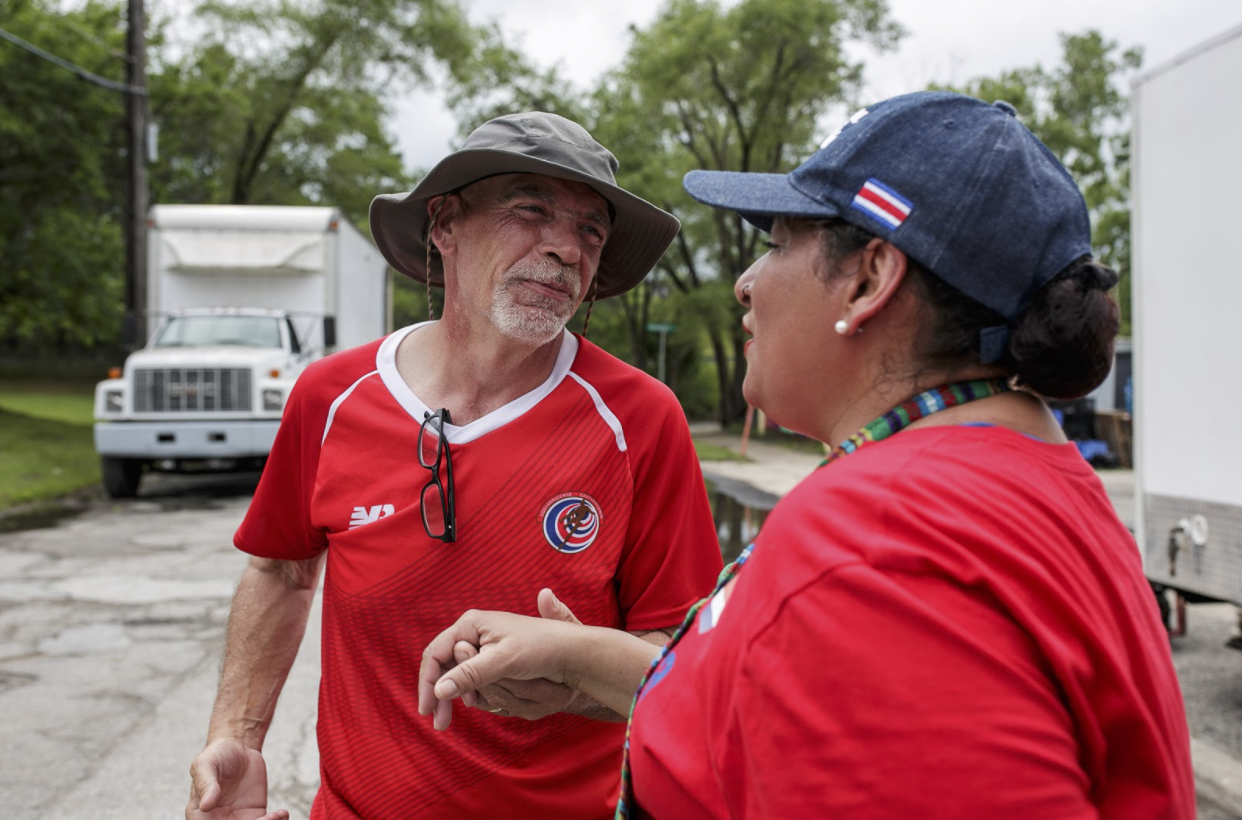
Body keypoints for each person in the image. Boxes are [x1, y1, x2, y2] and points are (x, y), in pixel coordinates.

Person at [418, 92, 1195, 819]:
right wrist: (587, 660)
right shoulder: (1023, 473)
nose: (746, 286)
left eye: (778, 242)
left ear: (867, 281)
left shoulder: (877, 549)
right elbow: (810, 698)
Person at [186, 112, 724, 820]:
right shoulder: (332, 397)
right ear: (445, 224)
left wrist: (574, 669)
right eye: (531, 210)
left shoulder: (639, 419)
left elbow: (685, 664)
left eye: (591, 230)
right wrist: (236, 739)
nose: (566, 248)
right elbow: (281, 572)